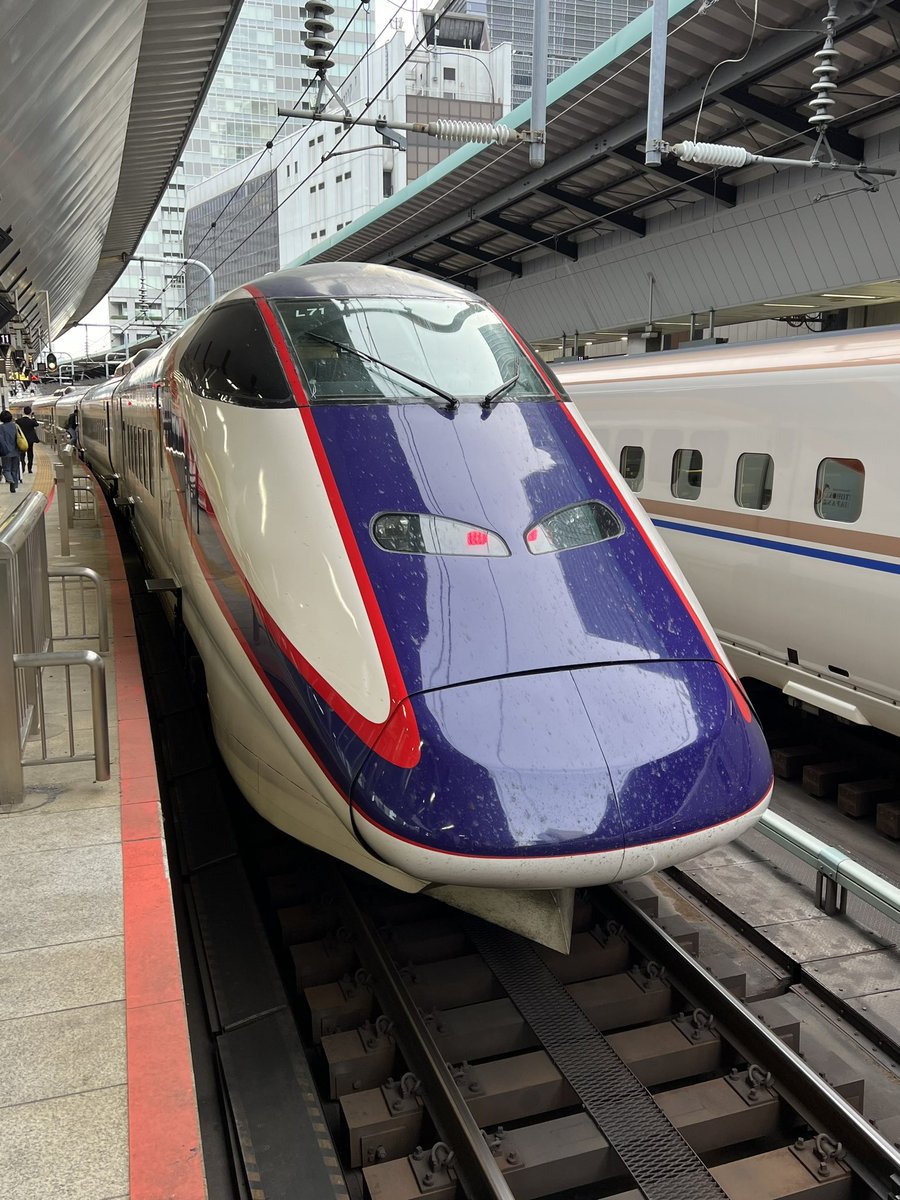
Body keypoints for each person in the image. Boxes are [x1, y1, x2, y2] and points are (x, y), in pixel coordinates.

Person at [0, 411, 22, 493]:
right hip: (16, 451)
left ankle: (11, 481)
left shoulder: (1, 428)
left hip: (5, 452)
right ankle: (14, 486)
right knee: (14, 470)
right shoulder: (15, 426)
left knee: (6, 469)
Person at [16, 405, 38, 474]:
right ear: (30, 412)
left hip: (22, 440)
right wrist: (33, 417)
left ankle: (22, 468)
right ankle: (30, 469)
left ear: (23, 412)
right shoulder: (31, 421)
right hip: (30, 441)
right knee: (30, 454)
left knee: (22, 455)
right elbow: (36, 424)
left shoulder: (18, 421)